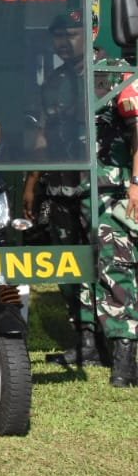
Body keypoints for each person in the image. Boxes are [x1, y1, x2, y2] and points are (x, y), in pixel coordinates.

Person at [23, 11, 106, 366]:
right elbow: (43, 135)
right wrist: (32, 182)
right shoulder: (54, 81)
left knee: (106, 264)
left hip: (102, 189)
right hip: (61, 187)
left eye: (71, 34)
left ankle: (117, 343)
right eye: (58, 36)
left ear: (92, 32)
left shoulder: (112, 73)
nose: (63, 42)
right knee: (69, 264)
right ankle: (85, 341)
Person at [95, 73, 138, 387]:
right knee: (113, 267)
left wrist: (136, 182)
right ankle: (123, 360)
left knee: (120, 266)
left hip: (123, 189)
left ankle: (125, 359)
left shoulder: (122, 78)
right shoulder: (69, 79)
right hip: (98, 190)